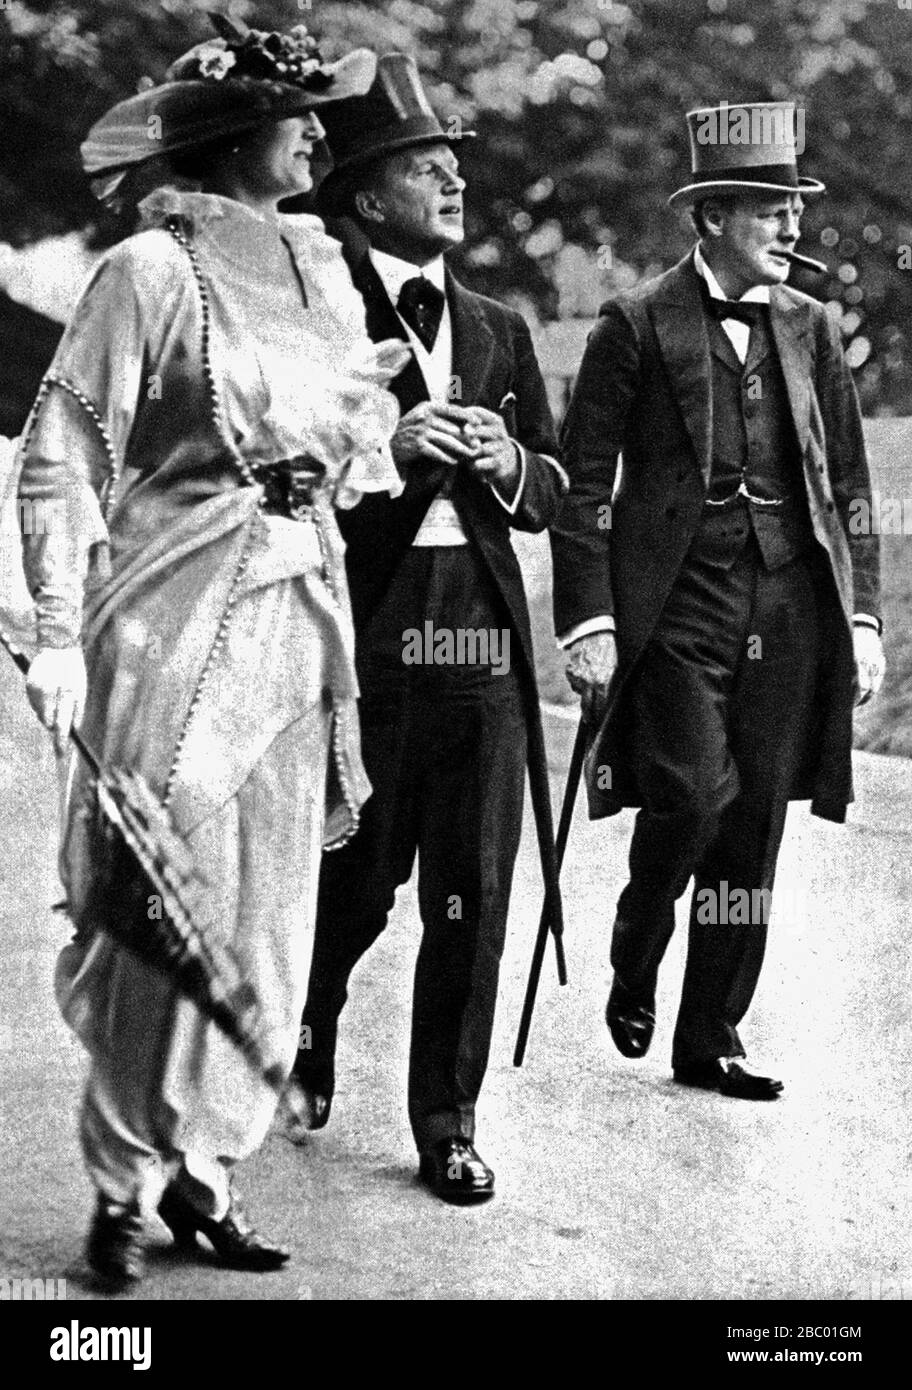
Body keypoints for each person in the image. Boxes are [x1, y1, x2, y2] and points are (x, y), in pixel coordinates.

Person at [17, 17, 408, 1288]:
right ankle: (122, 1185)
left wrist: (408, 438)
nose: (318, 133)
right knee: (156, 904)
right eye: (298, 115)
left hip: (299, 628)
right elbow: (64, 448)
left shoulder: (324, 269)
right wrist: (58, 631)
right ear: (238, 134)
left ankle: (208, 1171)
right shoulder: (146, 267)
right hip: (169, 623)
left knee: (268, 914)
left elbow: (350, 451)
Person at [551, 102, 885, 1100]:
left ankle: (711, 1034)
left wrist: (863, 616)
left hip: (785, 606)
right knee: (694, 792)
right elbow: (580, 483)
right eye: (768, 212)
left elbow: (854, 488)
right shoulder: (635, 324)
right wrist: (590, 618)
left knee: (753, 831)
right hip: (679, 606)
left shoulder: (811, 328)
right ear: (710, 219)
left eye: (792, 210)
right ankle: (638, 930)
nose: (790, 229)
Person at [291, 54, 567, 1203]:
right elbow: (279, 468)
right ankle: (309, 1008)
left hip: (488, 639)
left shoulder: (500, 326)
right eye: (423, 166)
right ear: (364, 196)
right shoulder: (313, 307)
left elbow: (560, 486)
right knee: (356, 878)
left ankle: (447, 1121)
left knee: (476, 886)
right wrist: (389, 457)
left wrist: (512, 463)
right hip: (371, 627)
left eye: (456, 165)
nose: (453, 182)